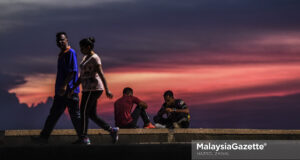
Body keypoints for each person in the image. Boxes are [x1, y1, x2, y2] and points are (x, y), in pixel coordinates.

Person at [32, 32, 81, 143]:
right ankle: (43, 137)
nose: (60, 42)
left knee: (75, 116)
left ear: (67, 40)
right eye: (58, 41)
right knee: (53, 115)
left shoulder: (70, 52)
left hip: (69, 92)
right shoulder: (62, 54)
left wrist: (64, 86)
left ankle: (83, 138)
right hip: (60, 92)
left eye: (62, 40)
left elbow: (73, 71)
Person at [71, 37, 118, 145]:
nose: (81, 50)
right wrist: (73, 87)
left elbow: (101, 74)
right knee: (91, 114)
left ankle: (84, 137)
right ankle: (112, 130)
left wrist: (107, 90)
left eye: (82, 48)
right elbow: (82, 76)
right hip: (87, 89)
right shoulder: (85, 57)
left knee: (83, 111)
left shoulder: (95, 58)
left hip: (94, 88)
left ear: (88, 47)